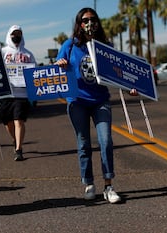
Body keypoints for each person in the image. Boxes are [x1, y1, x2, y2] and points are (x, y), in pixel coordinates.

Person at [55, 8, 137, 203]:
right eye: (85, 20)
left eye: (93, 19)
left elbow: (117, 74)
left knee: (106, 141)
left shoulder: (104, 47)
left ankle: (109, 186)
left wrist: (130, 88)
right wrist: (60, 64)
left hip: (100, 101)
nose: (89, 23)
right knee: (83, 144)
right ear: (79, 23)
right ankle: (89, 183)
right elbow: (57, 70)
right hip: (77, 102)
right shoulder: (70, 45)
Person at [0, 25, 36, 161]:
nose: (16, 36)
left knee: (18, 121)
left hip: (22, 94)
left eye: (19, 33)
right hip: (7, 94)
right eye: (14, 33)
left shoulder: (28, 54)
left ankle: (19, 150)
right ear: (9, 35)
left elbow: (35, 73)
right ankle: (16, 139)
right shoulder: (2, 52)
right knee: (8, 123)